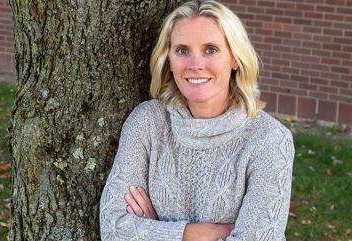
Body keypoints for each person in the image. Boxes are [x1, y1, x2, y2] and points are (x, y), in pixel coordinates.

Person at [99, 0, 294, 240]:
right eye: (182, 50)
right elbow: (113, 227)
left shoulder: (269, 139)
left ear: (235, 58)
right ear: (169, 60)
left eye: (210, 49)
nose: (195, 65)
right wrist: (208, 234)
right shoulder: (147, 122)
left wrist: (156, 231)